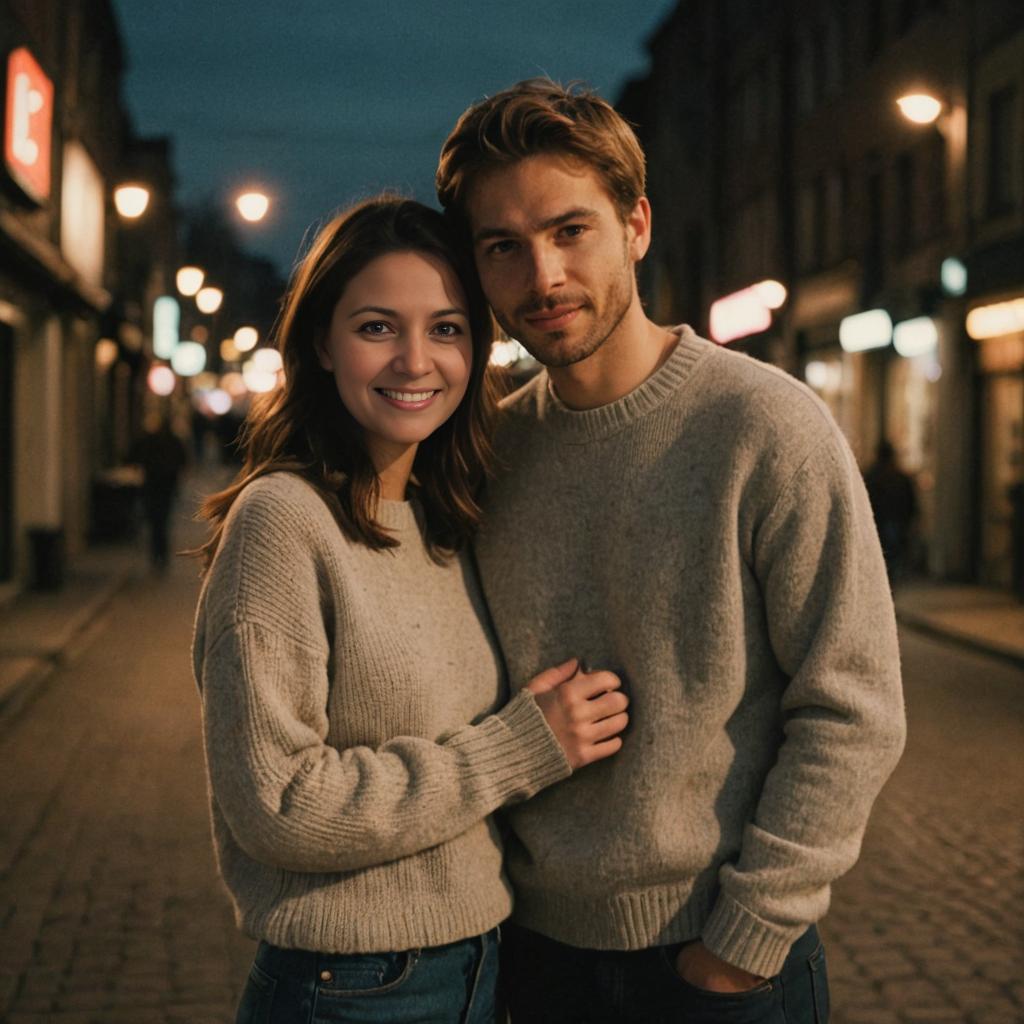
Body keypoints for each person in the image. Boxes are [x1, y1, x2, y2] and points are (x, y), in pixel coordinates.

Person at [436, 80, 907, 1022]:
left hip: (719, 965)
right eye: (503, 247)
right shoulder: (484, 447)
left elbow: (854, 706)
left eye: (571, 231)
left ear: (637, 225)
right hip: (530, 957)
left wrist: (745, 942)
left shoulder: (765, 424)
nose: (543, 277)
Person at [190, 196, 629, 1024]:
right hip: (352, 986)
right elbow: (279, 805)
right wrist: (518, 748)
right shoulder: (284, 521)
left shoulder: (442, 516)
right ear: (321, 342)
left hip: (481, 965)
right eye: (377, 328)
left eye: (447, 329)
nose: (415, 361)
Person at [129, 412, 188, 571]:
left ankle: (157, 554)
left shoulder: (150, 440)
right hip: (165, 486)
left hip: (153, 486)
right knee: (162, 521)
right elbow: (183, 461)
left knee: (156, 521)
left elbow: (134, 456)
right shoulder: (173, 441)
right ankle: (161, 554)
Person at [863, 439, 918, 582]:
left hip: (878, 524)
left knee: (881, 558)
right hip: (896, 524)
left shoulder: (870, 476)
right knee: (893, 558)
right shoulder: (900, 477)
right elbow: (910, 503)